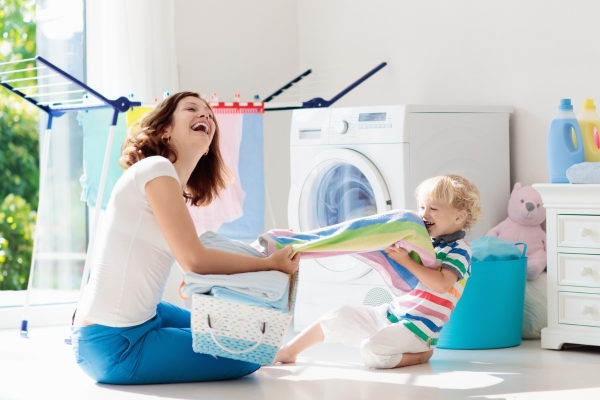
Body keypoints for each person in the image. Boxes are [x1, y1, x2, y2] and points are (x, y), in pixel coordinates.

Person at [71, 91, 300, 384]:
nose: (205, 115)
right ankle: (267, 351)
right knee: (249, 353)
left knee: (240, 330)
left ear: (207, 148)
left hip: (114, 327)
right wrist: (271, 264)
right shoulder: (157, 169)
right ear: (164, 130)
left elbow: (190, 261)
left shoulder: (162, 180)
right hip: (116, 346)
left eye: (209, 114)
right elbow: (195, 261)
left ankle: (276, 350)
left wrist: (254, 255)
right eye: (192, 109)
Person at [274, 174, 481, 369]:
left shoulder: (460, 249)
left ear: (458, 217)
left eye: (433, 209)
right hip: (391, 314)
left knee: (372, 352)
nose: (424, 214)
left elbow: (442, 284)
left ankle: (421, 354)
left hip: (419, 329)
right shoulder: (422, 241)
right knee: (340, 315)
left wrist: (406, 261)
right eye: (422, 207)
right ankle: (288, 352)